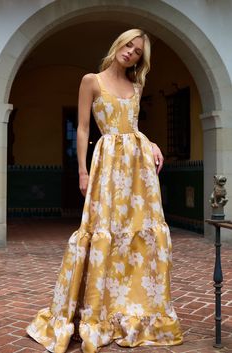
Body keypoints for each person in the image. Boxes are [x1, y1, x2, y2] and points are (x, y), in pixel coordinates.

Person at [26, 28, 183, 353]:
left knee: (139, 234)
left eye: (138, 51)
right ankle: (97, 309)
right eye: (128, 45)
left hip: (139, 167)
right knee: (103, 232)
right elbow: (84, 128)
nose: (131, 52)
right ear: (117, 45)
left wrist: (150, 142)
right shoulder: (91, 81)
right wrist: (82, 170)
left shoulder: (137, 85)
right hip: (108, 165)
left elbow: (133, 126)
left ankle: (131, 309)